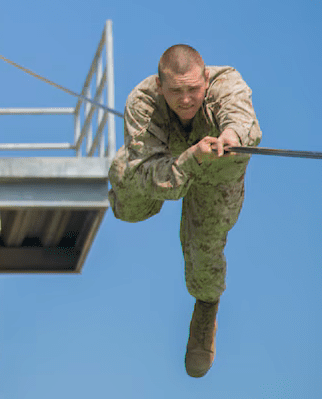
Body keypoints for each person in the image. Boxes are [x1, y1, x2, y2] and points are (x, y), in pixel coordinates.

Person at [108, 44, 261, 378]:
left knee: (203, 247)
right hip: (168, 164)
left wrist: (230, 136)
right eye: (176, 91)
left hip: (218, 175)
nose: (187, 99)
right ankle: (129, 195)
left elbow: (244, 121)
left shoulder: (226, 82)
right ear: (161, 86)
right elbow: (150, 174)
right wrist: (190, 158)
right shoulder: (142, 101)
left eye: (193, 89)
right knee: (126, 177)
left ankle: (206, 310)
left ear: (205, 79)